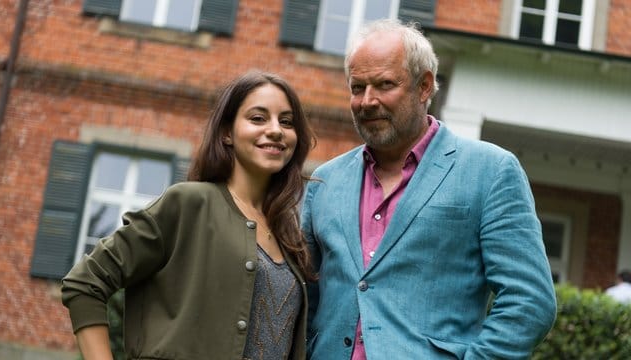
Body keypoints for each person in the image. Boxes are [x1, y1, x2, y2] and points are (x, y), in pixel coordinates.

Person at [301, 19, 557, 359]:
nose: (367, 101)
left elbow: (530, 302)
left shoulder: (490, 170)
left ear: (424, 87)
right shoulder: (325, 180)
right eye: (357, 87)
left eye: (384, 84)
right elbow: (303, 297)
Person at [61, 70, 316, 360]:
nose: (275, 130)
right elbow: (85, 282)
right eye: (258, 118)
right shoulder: (188, 204)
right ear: (227, 133)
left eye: (286, 121)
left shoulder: (290, 235)